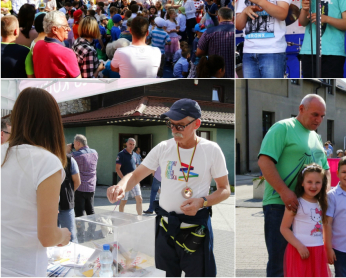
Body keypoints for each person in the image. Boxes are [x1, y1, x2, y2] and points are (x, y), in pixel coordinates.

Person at [107, 98, 230, 277]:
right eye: (170, 124)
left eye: (180, 125)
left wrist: (203, 202)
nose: (174, 130)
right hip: (166, 228)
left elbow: (224, 189)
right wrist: (120, 186)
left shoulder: (211, 150)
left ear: (197, 124)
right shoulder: (164, 147)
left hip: (196, 230)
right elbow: (135, 175)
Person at [258, 94, 331, 277]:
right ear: (301, 109)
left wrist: (324, 197)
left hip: (307, 208)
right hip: (279, 204)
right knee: (279, 263)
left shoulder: (316, 137)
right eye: (315, 114)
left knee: (302, 264)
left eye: (322, 116)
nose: (319, 120)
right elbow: (265, 162)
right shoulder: (283, 128)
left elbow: (325, 170)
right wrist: (284, 192)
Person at [1, 88, 71, 276]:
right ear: (52, 122)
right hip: (23, 269)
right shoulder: (47, 162)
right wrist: (63, 234)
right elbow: (48, 236)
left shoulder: (3, 151)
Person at [236, 0, 290, 78]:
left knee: (270, 89)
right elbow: (239, 26)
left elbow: (282, 14)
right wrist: (245, 11)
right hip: (249, 51)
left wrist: (259, 0)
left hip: (272, 51)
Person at [280, 163, 331, 277]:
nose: (313, 186)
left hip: (318, 251)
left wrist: (327, 248)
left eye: (317, 182)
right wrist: (299, 246)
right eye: (309, 182)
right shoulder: (295, 203)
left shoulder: (322, 203)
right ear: (302, 182)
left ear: (322, 184)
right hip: (300, 251)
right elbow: (284, 228)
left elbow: (325, 227)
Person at [33, 11, 82, 78]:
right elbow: (79, 82)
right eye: (66, 26)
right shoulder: (67, 53)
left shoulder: (37, 45)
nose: (69, 29)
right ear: (55, 29)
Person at [196, 6, 234, 78]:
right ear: (233, 18)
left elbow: (199, 52)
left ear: (218, 18)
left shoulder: (208, 32)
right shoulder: (238, 32)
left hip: (215, 74)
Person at [70, 134, 99, 219]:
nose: (73, 146)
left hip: (80, 187)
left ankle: (81, 232)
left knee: (79, 212)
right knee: (90, 210)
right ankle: (92, 229)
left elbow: (65, 160)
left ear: (78, 143)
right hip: (91, 186)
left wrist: (67, 150)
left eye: (74, 144)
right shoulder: (95, 152)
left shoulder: (75, 155)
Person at [116, 138, 143, 215]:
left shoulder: (135, 154)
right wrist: (123, 181)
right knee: (124, 201)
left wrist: (138, 180)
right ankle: (121, 217)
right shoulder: (121, 154)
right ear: (126, 144)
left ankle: (140, 218)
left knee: (139, 199)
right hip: (125, 183)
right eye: (130, 144)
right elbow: (117, 169)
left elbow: (136, 168)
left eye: (133, 144)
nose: (132, 146)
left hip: (134, 181)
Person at [58, 154, 80, 243]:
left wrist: (67, 194)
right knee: (51, 237)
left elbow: (77, 181)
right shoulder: (43, 158)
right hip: (49, 206)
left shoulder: (69, 160)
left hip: (65, 205)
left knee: (70, 237)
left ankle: (73, 256)